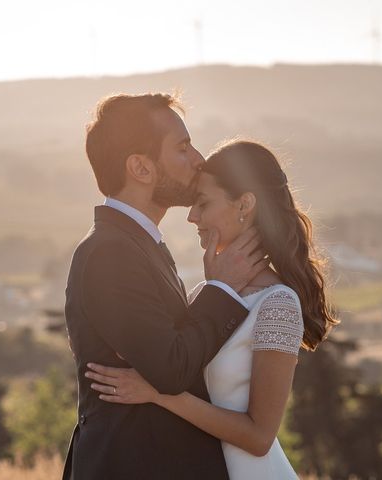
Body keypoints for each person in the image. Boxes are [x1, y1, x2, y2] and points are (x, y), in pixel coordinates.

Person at [86, 140, 338, 479]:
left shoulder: (277, 304)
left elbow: (259, 436)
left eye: (203, 203)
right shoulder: (204, 294)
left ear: (244, 205)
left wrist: (159, 395)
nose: (192, 216)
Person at [63, 94, 267, 480]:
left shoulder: (138, 244)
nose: (199, 160)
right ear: (140, 167)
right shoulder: (110, 253)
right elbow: (170, 367)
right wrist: (221, 289)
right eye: (183, 148)